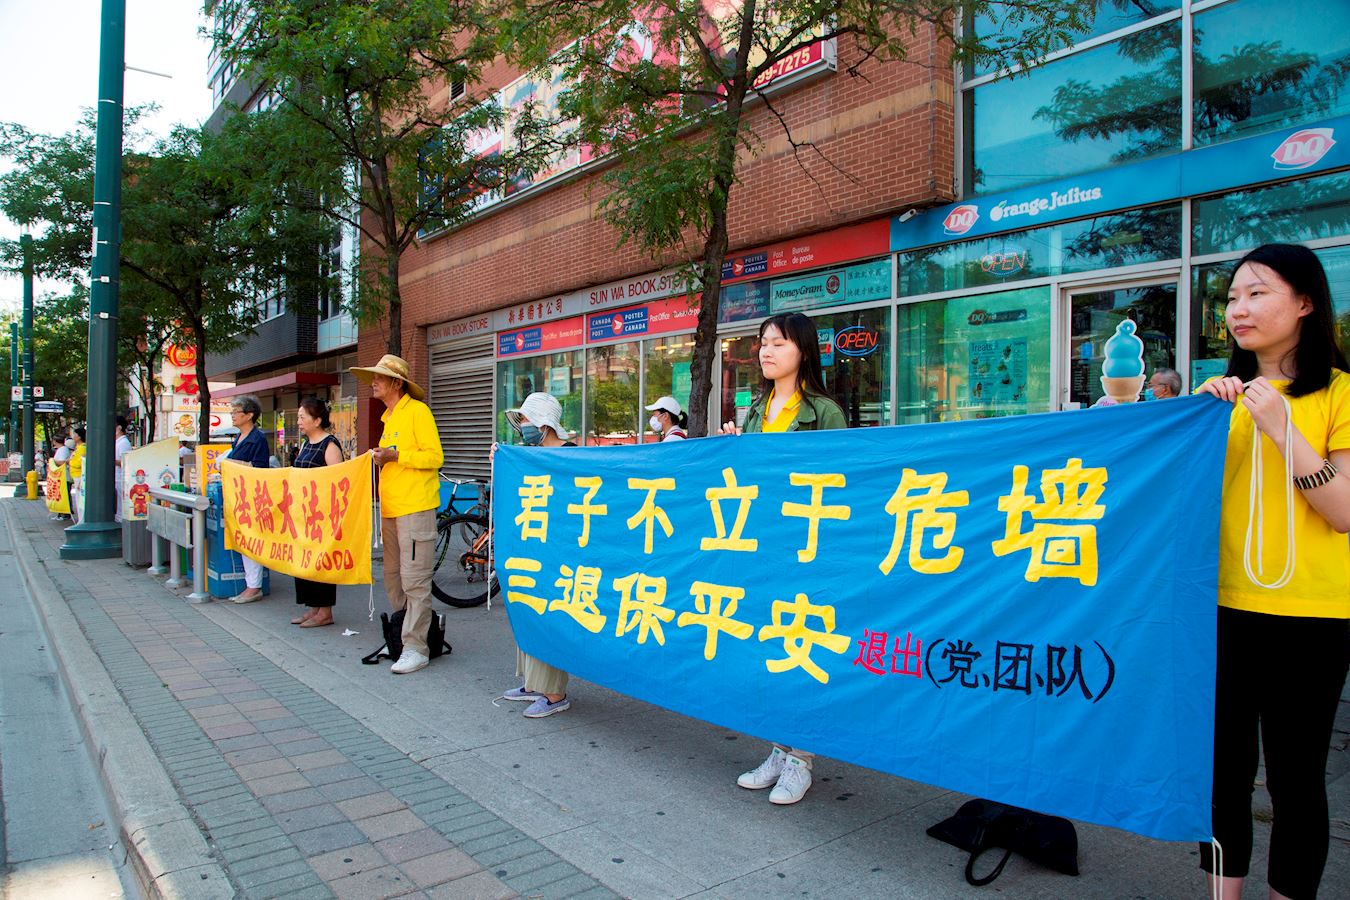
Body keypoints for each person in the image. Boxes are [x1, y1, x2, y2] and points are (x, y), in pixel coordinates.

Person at [1194, 244, 1349, 900]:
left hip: (1313, 618)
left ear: (1305, 303)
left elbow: (1343, 511)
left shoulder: (1340, 393)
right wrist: (1197, 422)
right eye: (1232, 297)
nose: (1239, 309)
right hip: (1220, 609)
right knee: (1222, 775)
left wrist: (1283, 429)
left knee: (1296, 781)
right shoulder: (1214, 402)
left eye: (1257, 293)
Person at [718, 312, 848, 805]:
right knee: (770, 645)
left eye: (779, 343)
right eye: (763, 342)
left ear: (804, 351)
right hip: (763, 546)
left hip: (806, 547)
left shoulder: (824, 413)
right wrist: (734, 450)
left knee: (803, 646)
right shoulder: (756, 410)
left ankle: (802, 759)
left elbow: (840, 481)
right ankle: (779, 747)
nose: (766, 351)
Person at [352, 355, 444, 675]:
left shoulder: (417, 411)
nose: (373, 383)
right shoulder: (388, 417)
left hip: (415, 508)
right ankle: (402, 637)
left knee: (415, 581)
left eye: (379, 378)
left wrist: (395, 456)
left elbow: (435, 457)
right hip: (391, 510)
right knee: (393, 578)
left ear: (396, 383)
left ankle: (416, 648)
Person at [497, 391, 578, 717]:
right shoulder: (531, 455)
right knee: (528, 611)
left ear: (545, 423)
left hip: (560, 553)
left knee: (549, 616)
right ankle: (533, 683)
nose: (522, 426)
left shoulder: (572, 455)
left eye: (526, 419)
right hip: (535, 549)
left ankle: (554, 693)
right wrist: (501, 461)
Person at [292, 396, 344, 627]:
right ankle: (312, 608)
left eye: (302, 417)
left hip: (322, 516)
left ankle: (325, 611)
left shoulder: (330, 445)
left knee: (321, 562)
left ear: (317, 420)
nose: (299, 422)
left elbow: (338, 481)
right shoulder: (305, 445)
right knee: (305, 561)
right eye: (298, 417)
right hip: (303, 514)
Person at [227, 395, 271, 604]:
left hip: (253, 496)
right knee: (243, 540)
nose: (232, 415)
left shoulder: (258, 438)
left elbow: (261, 468)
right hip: (239, 495)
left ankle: (254, 586)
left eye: (236, 412)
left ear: (249, 415)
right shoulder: (238, 437)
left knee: (251, 540)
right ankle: (250, 584)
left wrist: (233, 465)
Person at [113, 416, 132, 522]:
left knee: (120, 504)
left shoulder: (124, 443)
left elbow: (126, 462)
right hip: (116, 477)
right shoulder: (117, 442)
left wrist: (112, 461)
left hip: (120, 478)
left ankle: (121, 522)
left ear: (119, 428)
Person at [69, 427, 86, 524]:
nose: (73, 437)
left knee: (80, 499)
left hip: (80, 476)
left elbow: (77, 463)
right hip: (76, 476)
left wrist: (70, 461)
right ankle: (80, 520)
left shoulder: (82, 448)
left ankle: (81, 521)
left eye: (75, 435)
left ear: (79, 436)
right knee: (78, 499)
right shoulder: (78, 448)